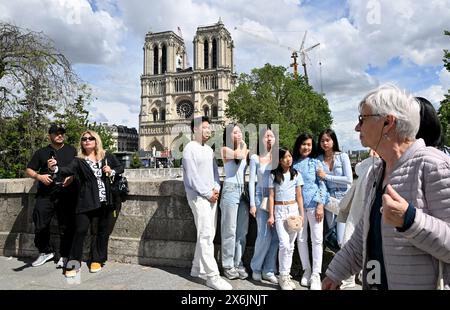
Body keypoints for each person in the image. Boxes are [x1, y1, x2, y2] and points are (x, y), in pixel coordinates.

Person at [322, 84, 450, 290]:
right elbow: (363, 236)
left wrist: (410, 220)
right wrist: (335, 274)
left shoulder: (433, 165)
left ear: (388, 122)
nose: (357, 127)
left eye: (362, 119)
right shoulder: (376, 171)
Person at [48, 130, 124, 277]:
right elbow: (66, 170)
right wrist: (55, 168)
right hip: (86, 201)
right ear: (81, 142)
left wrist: (111, 170)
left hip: (106, 200)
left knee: (102, 231)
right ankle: (74, 262)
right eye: (84, 139)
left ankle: (97, 259)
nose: (87, 141)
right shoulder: (79, 160)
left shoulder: (106, 156)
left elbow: (120, 168)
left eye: (90, 138)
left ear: (96, 141)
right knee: (80, 230)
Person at [182, 116, 232, 290]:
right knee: (205, 236)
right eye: (204, 127)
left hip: (211, 195)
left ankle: (196, 268)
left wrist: (216, 188)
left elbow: (215, 173)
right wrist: (207, 193)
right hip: (198, 197)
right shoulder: (189, 149)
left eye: (208, 127)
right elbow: (192, 177)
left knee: (208, 235)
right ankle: (212, 276)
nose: (208, 130)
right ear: (195, 130)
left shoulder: (209, 150)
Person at [26, 123, 77, 268]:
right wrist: (39, 176)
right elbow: (29, 169)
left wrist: (72, 177)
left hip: (66, 193)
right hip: (46, 194)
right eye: (56, 133)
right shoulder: (41, 152)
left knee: (66, 225)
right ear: (50, 136)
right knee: (40, 221)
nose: (60, 135)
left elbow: (77, 168)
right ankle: (45, 251)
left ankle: (65, 255)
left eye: (62, 133)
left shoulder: (71, 150)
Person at [292, 133, 327, 290]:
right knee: (301, 239)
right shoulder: (292, 164)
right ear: (299, 145)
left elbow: (322, 185)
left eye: (309, 145)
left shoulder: (316, 163)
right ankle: (306, 270)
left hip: (314, 206)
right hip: (297, 207)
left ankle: (316, 274)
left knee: (317, 239)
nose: (306, 147)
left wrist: (320, 204)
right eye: (304, 144)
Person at [267, 147, 305, 290]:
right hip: (279, 210)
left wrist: (301, 215)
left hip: (293, 210)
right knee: (284, 244)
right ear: (279, 160)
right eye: (285, 157)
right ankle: (282, 277)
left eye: (290, 156)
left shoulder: (296, 174)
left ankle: (286, 275)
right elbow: (271, 197)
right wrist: (271, 215)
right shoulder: (273, 176)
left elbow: (299, 196)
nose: (288, 159)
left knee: (291, 245)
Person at [219, 124, 250, 280]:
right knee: (229, 230)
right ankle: (227, 265)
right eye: (234, 132)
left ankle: (238, 262)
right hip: (230, 190)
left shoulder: (245, 151)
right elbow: (239, 155)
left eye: (240, 132)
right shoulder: (225, 150)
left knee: (242, 231)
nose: (238, 134)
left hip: (242, 191)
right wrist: (244, 144)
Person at [249, 127, 279, 284]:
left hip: (278, 199)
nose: (269, 139)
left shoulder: (278, 157)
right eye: (266, 136)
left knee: (275, 238)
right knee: (263, 236)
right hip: (262, 199)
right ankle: (256, 267)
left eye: (271, 136)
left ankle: (269, 270)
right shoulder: (255, 158)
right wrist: (253, 204)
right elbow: (252, 182)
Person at [316, 129, 353, 250]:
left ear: (333, 141)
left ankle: (345, 262)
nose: (325, 143)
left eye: (327, 140)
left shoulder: (343, 156)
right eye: (322, 141)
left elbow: (349, 179)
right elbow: (320, 182)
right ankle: (340, 261)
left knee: (341, 237)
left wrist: (326, 176)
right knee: (332, 232)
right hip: (329, 198)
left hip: (344, 197)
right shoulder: (318, 159)